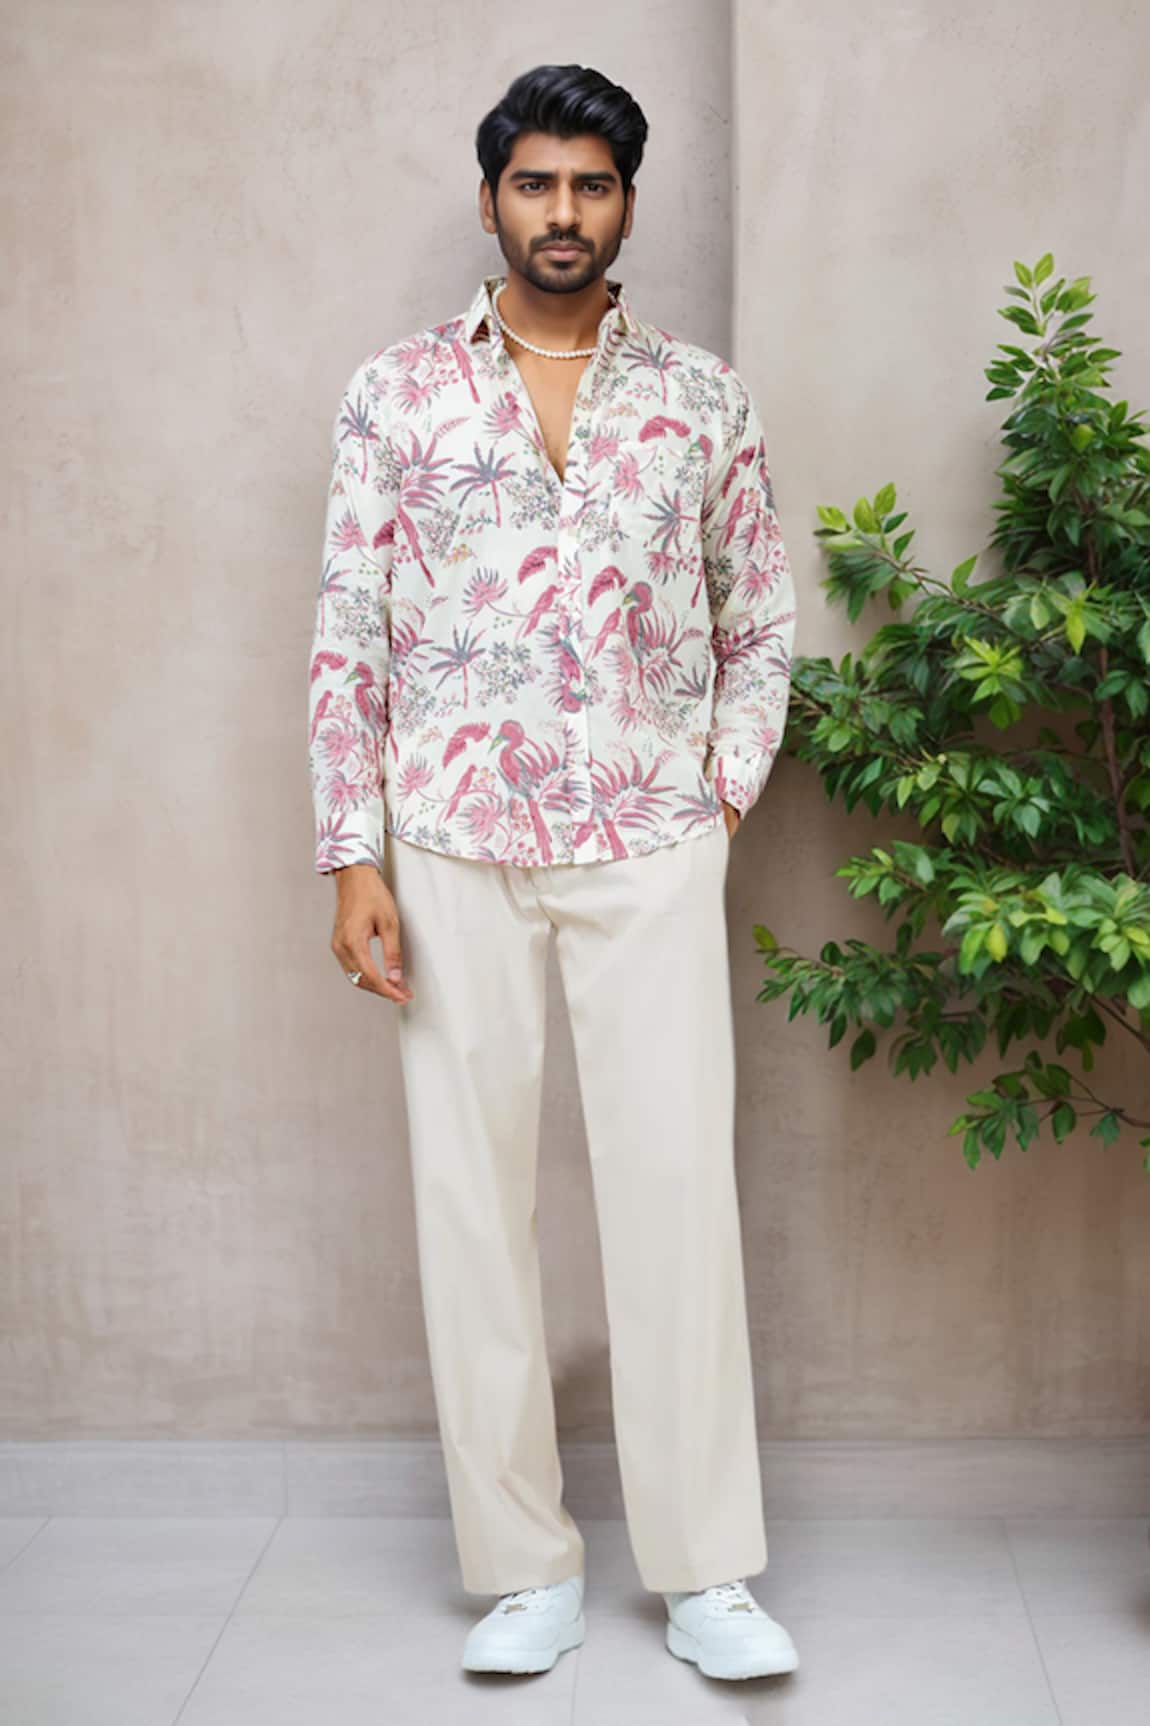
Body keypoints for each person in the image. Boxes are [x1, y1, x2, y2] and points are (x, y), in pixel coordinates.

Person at [307, 61, 799, 1684]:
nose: (562, 212)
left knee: (675, 1198)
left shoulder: (700, 399)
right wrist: (352, 853)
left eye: (590, 185)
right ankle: (522, 1565)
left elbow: (758, 618)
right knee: (471, 1207)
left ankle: (705, 1569)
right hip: (449, 841)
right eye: (535, 183)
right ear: (490, 199)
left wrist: (717, 799)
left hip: (647, 839)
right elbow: (348, 633)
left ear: (626, 205)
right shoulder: (394, 395)